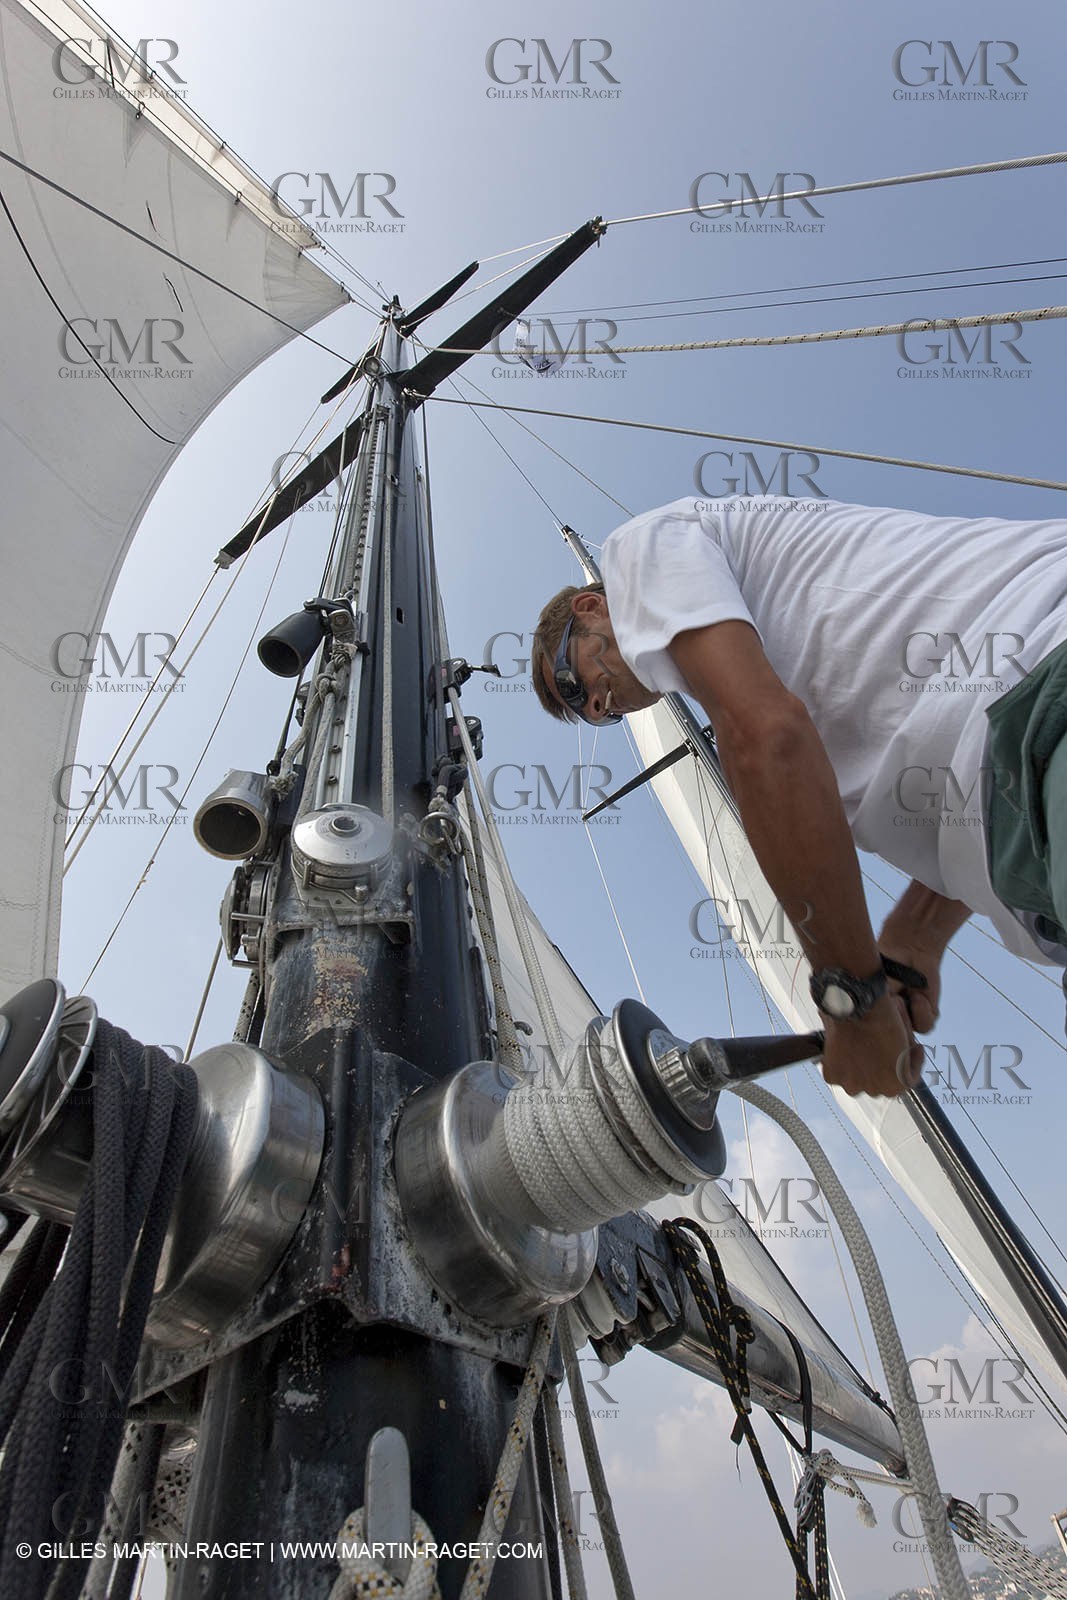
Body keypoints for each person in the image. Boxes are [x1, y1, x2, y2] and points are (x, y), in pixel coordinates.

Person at [530, 496, 1067, 1099]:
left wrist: (854, 1004)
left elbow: (768, 740)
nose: (597, 705)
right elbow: (960, 769)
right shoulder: (761, 671)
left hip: (1047, 696)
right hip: (1027, 792)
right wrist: (916, 934)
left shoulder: (640, 550)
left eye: (572, 682)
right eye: (591, 715)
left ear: (591, 607)